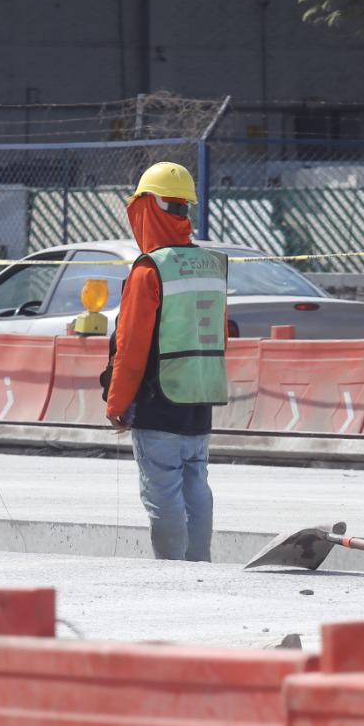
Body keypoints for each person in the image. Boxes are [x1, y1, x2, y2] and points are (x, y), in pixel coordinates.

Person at [103, 161, 230, 561]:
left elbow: (132, 345)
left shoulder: (149, 269)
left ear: (145, 207)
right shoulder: (212, 264)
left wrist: (117, 402)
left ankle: (173, 573)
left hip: (159, 402)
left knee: (163, 495)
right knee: (197, 486)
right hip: (201, 397)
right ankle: (200, 566)